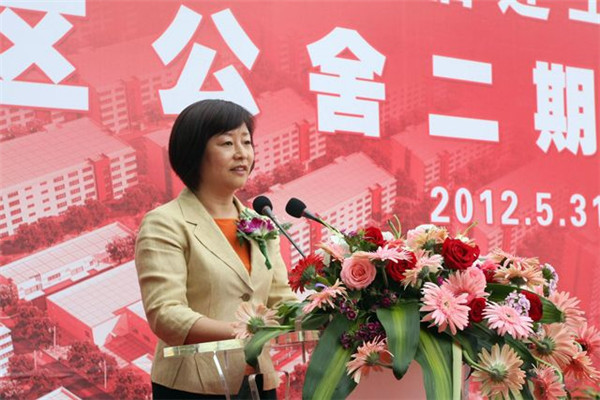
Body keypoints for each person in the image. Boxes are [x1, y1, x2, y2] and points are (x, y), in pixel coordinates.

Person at [135, 99, 296, 399]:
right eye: (227, 143)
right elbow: (166, 315)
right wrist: (247, 330)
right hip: (193, 386)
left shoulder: (261, 223)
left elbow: (280, 300)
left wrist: (329, 311)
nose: (242, 153)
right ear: (194, 151)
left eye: (246, 142)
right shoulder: (165, 223)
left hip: (258, 382)